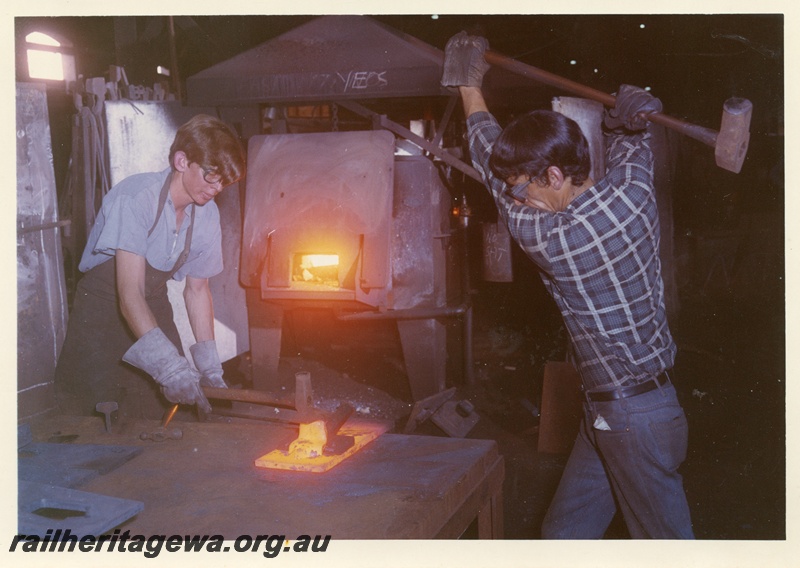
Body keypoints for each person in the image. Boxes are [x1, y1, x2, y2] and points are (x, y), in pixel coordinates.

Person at [442, 31, 694, 538]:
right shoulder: (634, 194)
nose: (518, 198)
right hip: (620, 413)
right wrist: (624, 121)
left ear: (554, 176)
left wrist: (469, 86)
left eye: (523, 187)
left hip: (630, 421)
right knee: (562, 537)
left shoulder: (556, 238)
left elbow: (490, 168)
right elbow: (630, 146)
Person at [55, 114, 246, 420]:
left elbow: (197, 291)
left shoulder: (207, 215)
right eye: (212, 176)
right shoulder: (136, 197)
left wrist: (211, 369)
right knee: (91, 419)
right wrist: (168, 367)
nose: (217, 189)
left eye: (225, 182)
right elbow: (129, 293)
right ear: (182, 161)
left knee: (168, 415)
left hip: (153, 302)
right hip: (102, 307)